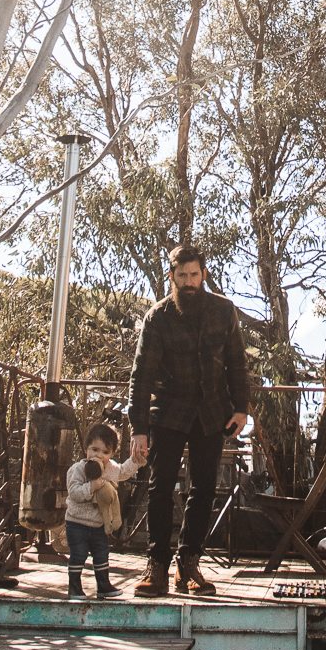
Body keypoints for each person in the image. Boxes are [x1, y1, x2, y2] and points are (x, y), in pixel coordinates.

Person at [127, 246, 249, 597]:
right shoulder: (158, 317)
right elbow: (141, 376)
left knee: (204, 488)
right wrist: (138, 428)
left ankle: (189, 564)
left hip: (212, 413)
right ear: (172, 277)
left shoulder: (224, 311)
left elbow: (237, 363)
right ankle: (157, 567)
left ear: (204, 275)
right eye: (182, 276)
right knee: (160, 486)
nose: (189, 282)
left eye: (195, 275)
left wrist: (241, 407)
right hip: (168, 412)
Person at [63, 422, 138, 598]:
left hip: (98, 525)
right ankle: (74, 587)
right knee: (78, 555)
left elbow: (124, 472)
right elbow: (74, 493)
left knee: (102, 553)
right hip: (77, 523)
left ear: (112, 454)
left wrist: (136, 460)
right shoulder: (79, 469)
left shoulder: (110, 467)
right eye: (94, 449)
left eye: (105, 452)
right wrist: (92, 487)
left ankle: (103, 585)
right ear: (86, 448)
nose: (99, 455)